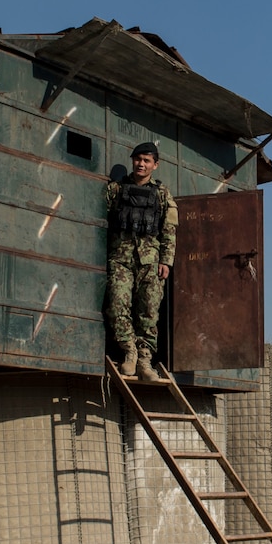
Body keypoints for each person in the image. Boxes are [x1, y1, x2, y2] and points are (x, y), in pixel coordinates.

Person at [104, 141, 178, 381]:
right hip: (121, 259)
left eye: (147, 161)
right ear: (132, 161)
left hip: (150, 261)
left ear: (155, 165)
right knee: (117, 305)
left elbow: (169, 229)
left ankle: (145, 360)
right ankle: (130, 353)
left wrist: (166, 260)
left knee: (149, 311)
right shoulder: (115, 189)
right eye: (138, 159)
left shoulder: (163, 194)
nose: (141, 164)